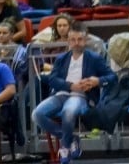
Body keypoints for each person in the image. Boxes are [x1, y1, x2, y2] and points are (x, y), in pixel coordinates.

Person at [32, 22, 116, 164]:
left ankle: (65, 147)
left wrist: (98, 81)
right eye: (73, 40)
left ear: (86, 39)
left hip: (82, 96)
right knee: (36, 114)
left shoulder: (94, 58)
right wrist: (70, 86)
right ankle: (70, 139)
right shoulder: (61, 58)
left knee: (68, 112)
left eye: (80, 39)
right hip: (61, 94)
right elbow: (52, 79)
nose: (76, 43)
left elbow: (113, 77)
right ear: (68, 40)